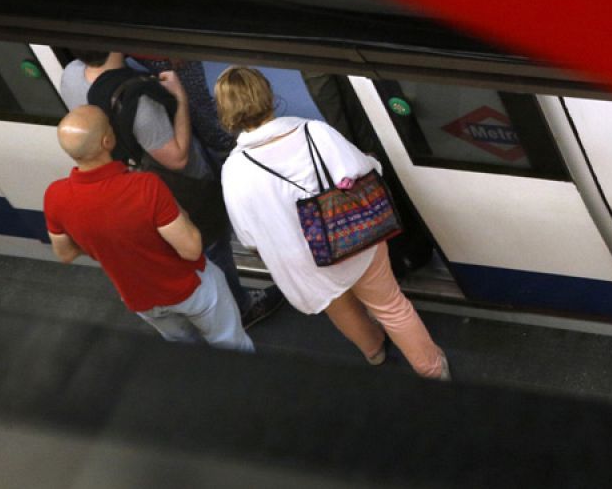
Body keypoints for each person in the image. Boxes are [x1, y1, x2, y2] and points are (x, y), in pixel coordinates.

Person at [213, 66, 449, 380]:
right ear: (267, 94)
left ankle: (375, 352)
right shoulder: (315, 132)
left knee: (340, 307)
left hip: (304, 263)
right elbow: (365, 171)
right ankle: (433, 370)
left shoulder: (234, 170)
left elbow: (247, 236)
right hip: (354, 239)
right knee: (391, 306)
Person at [61, 50, 284, 328]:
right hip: (185, 187)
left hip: (134, 183)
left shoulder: (70, 75)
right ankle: (241, 308)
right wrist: (180, 100)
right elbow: (177, 159)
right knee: (213, 245)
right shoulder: (140, 98)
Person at [44, 106, 252, 351]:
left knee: (184, 348)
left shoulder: (55, 196)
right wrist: (181, 212)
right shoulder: (145, 187)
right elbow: (191, 249)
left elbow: (66, 253)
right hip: (190, 289)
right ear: (107, 140)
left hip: (141, 300)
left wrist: (104, 241)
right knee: (231, 344)